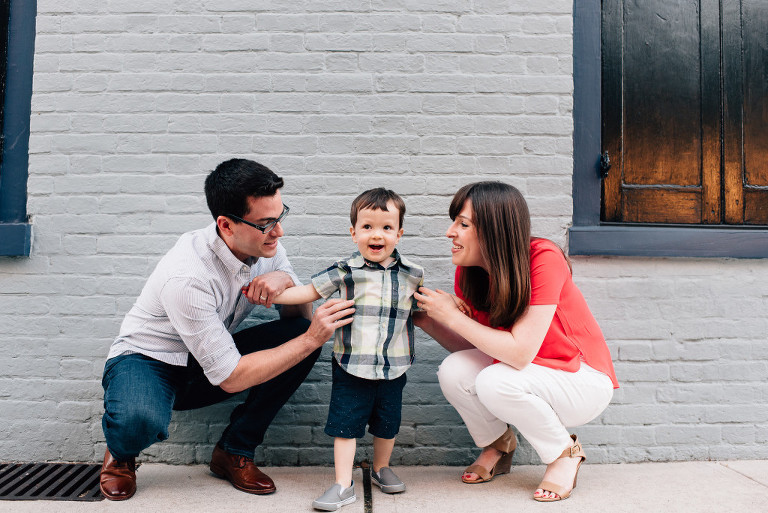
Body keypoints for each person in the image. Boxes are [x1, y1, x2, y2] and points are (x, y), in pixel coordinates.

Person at [99, 159, 355, 501]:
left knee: (298, 336)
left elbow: (297, 319)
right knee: (139, 421)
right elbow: (231, 378)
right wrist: (312, 339)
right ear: (226, 224)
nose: (279, 232)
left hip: (204, 360)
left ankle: (233, 451)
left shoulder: (266, 246)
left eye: (280, 217)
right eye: (266, 223)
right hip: (148, 361)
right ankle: (121, 453)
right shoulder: (188, 276)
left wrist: (286, 281)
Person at [413, 181, 618, 502]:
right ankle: (498, 444)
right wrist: (426, 317)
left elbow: (520, 354)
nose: (450, 232)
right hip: (528, 374)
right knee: (454, 370)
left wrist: (454, 316)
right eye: (455, 221)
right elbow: (477, 350)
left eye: (463, 224)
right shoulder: (470, 271)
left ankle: (565, 454)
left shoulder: (543, 258)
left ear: (494, 229)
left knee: (494, 380)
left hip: (582, 380)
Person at [260, 188, 423, 511]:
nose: (377, 234)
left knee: (387, 423)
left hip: (395, 365)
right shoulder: (345, 271)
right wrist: (269, 296)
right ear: (353, 233)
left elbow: (425, 309)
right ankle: (343, 483)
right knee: (345, 426)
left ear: (399, 234)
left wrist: (458, 308)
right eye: (367, 227)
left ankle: (381, 468)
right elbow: (307, 292)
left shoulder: (412, 274)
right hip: (351, 364)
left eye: (386, 227)